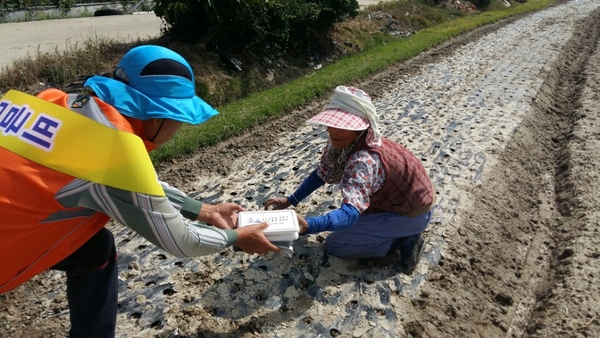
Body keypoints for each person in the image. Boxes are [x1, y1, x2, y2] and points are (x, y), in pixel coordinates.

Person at [0, 45, 280, 337]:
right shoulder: (114, 149)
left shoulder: (61, 103)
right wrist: (237, 237)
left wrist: (204, 210)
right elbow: (182, 241)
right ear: (157, 117)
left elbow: (129, 183)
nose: (178, 129)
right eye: (179, 119)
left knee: (95, 249)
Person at [264, 86, 435, 274]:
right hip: (394, 202)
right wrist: (290, 200)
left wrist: (309, 225)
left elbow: (350, 214)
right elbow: (323, 173)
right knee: (351, 225)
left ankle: (405, 241)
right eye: (331, 124)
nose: (334, 131)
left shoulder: (364, 160)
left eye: (344, 126)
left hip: (410, 215)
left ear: (361, 128)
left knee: (337, 245)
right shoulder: (343, 143)